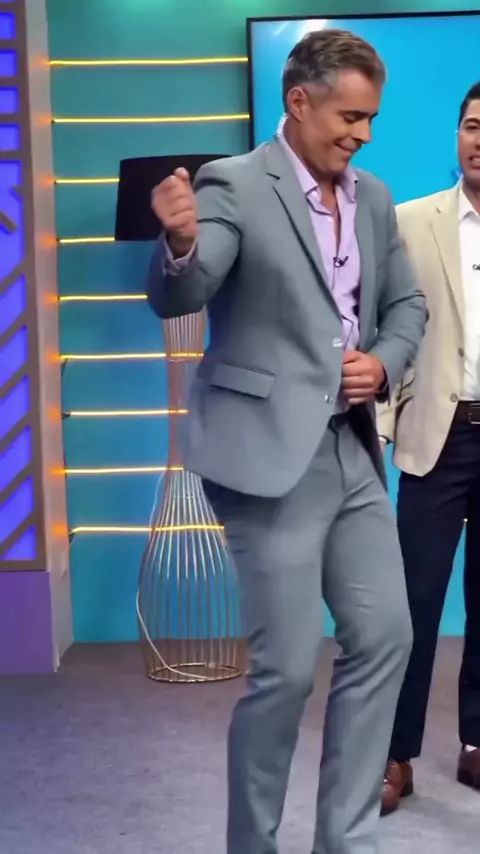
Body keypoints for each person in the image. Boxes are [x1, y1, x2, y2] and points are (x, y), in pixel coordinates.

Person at [147, 29, 426, 854]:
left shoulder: (373, 198)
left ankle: (346, 839)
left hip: (351, 452)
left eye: (371, 119)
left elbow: (407, 306)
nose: (362, 134)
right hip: (266, 459)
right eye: (350, 117)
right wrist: (180, 243)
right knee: (288, 669)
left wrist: (383, 361)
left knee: (387, 637)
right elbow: (186, 291)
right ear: (298, 101)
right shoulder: (234, 182)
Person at [378, 81, 480, 816]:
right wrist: (383, 423)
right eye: (474, 125)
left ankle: (478, 741)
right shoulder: (413, 221)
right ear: (458, 134)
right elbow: (384, 325)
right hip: (436, 439)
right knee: (412, 603)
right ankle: (395, 755)